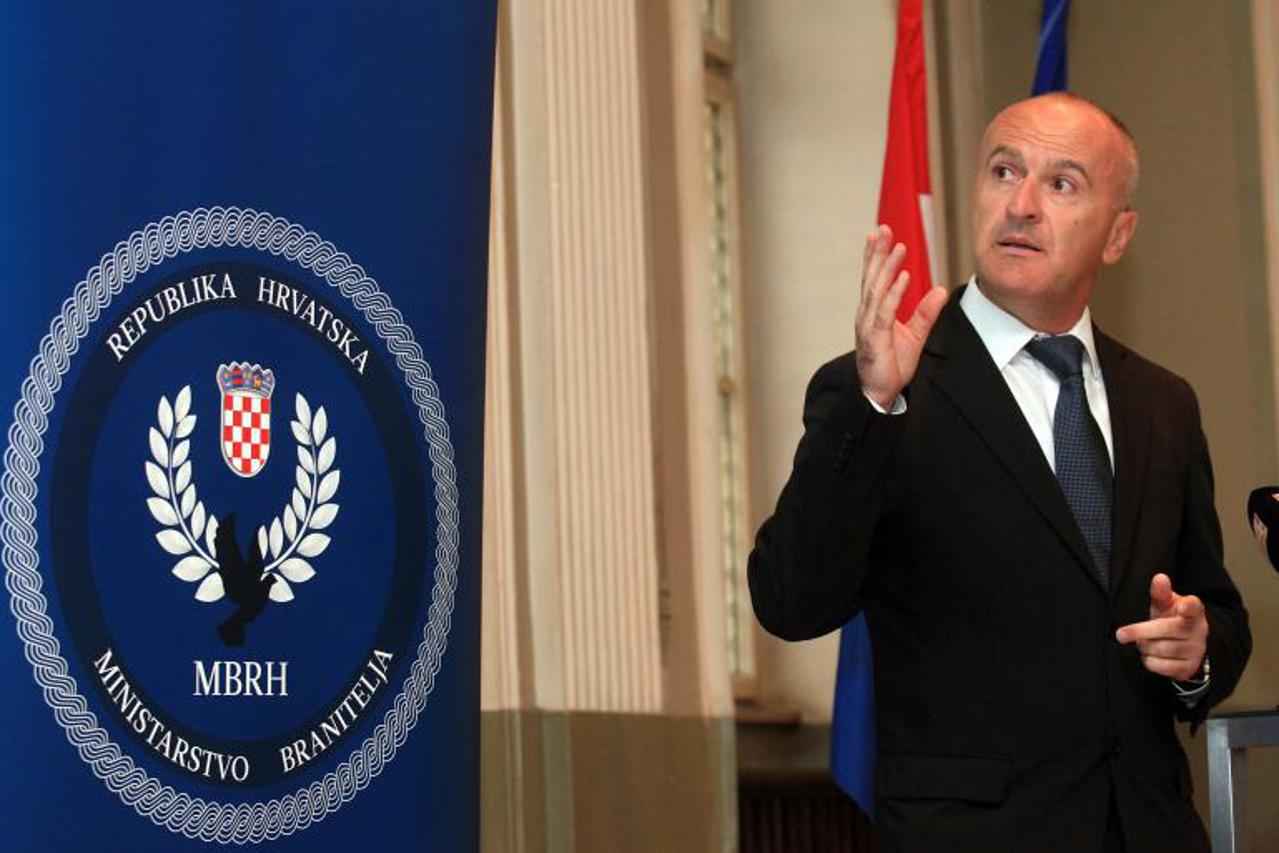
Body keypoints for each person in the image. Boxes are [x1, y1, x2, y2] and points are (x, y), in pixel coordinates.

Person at [747, 92, 1251, 853]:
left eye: (1062, 183)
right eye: (1003, 171)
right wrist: (873, 407)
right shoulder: (885, 388)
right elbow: (790, 599)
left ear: (1117, 235)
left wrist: (1195, 651)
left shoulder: (1162, 403)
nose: (1020, 205)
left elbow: (1215, 609)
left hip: (1148, 829)